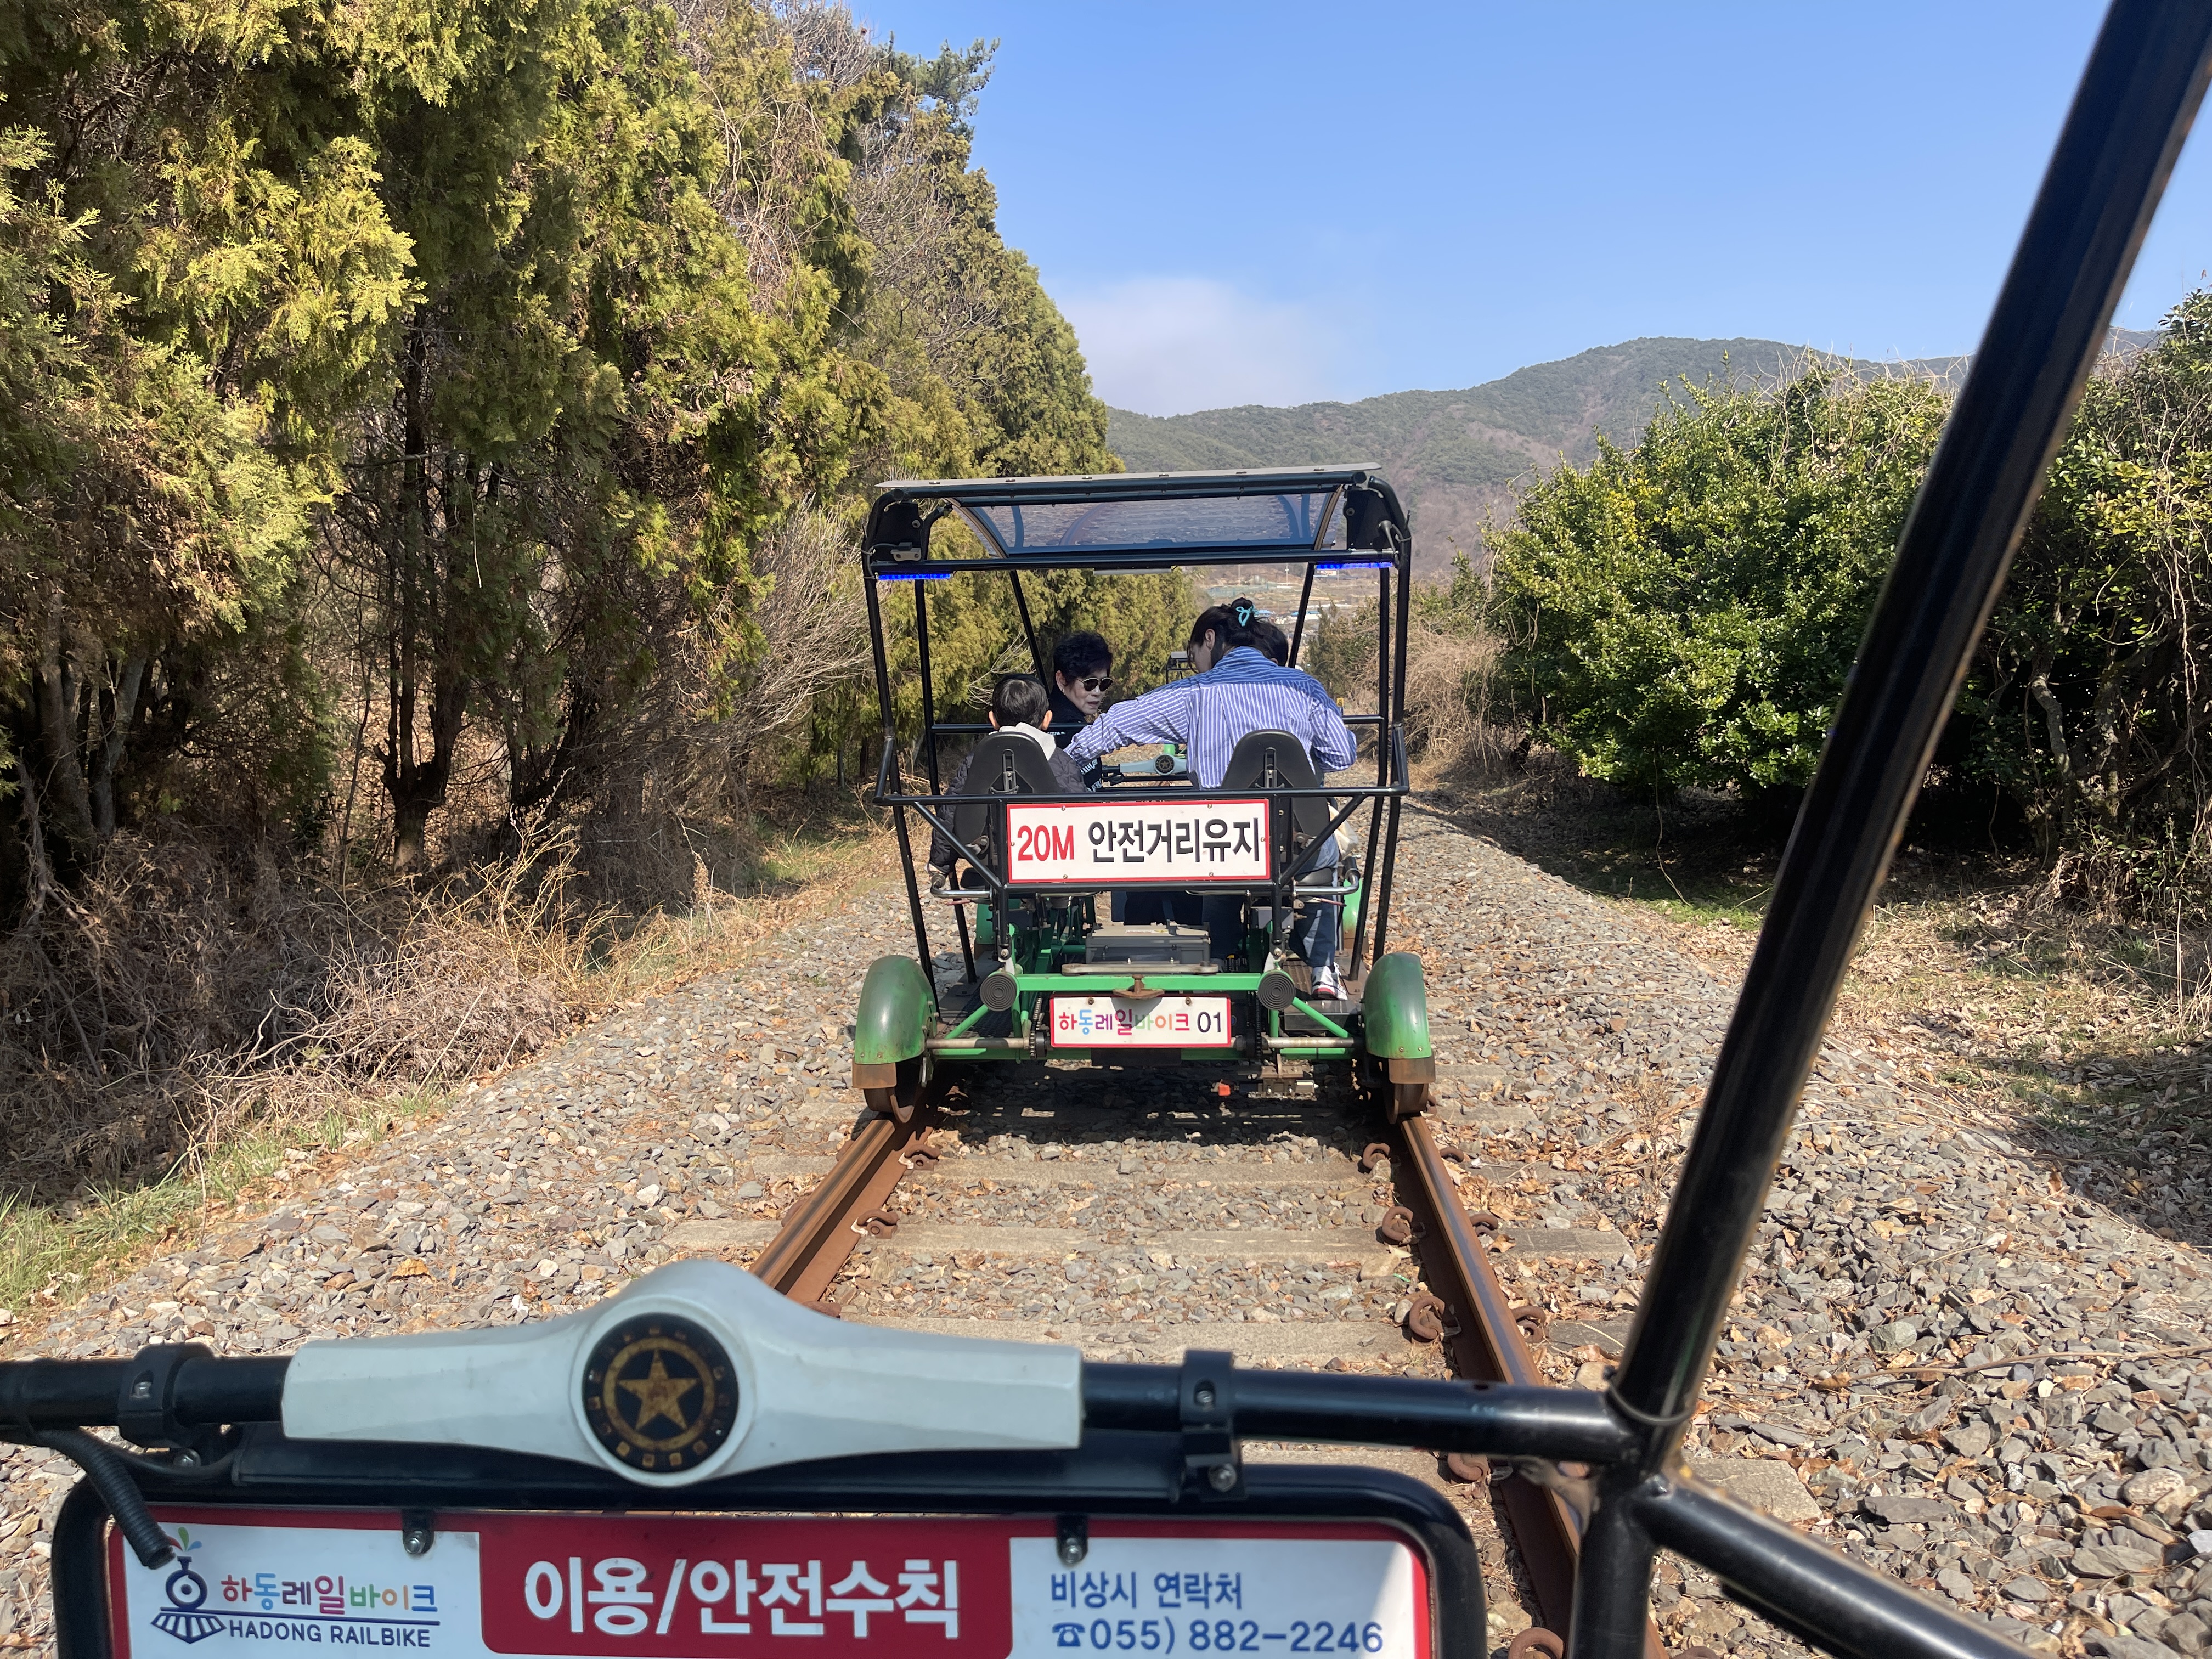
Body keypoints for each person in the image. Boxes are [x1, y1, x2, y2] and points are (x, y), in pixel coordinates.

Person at [1068, 601, 1356, 997]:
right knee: (1326, 855)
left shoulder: (1195, 692)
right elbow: (1342, 756)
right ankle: (1323, 969)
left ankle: (1219, 960)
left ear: (1210, 640)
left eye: (1195, 658)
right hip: (1298, 845)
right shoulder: (1303, 687)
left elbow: (1117, 723)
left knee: (1217, 862)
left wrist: (1063, 759)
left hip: (1224, 848)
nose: (1197, 667)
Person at [927, 675, 1084, 878]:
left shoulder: (975, 761)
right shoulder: (1062, 762)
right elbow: (1080, 811)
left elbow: (951, 811)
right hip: (1052, 863)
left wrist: (940, 864)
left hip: (993, 865)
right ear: (1047, 719)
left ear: (992, 719)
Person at [1047, 631, 1114, 744]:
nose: (1097, 692)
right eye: (1090, 683)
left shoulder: (1044, 715)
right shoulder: (1075, 733)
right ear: (1062, 680)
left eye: (1104, 683)